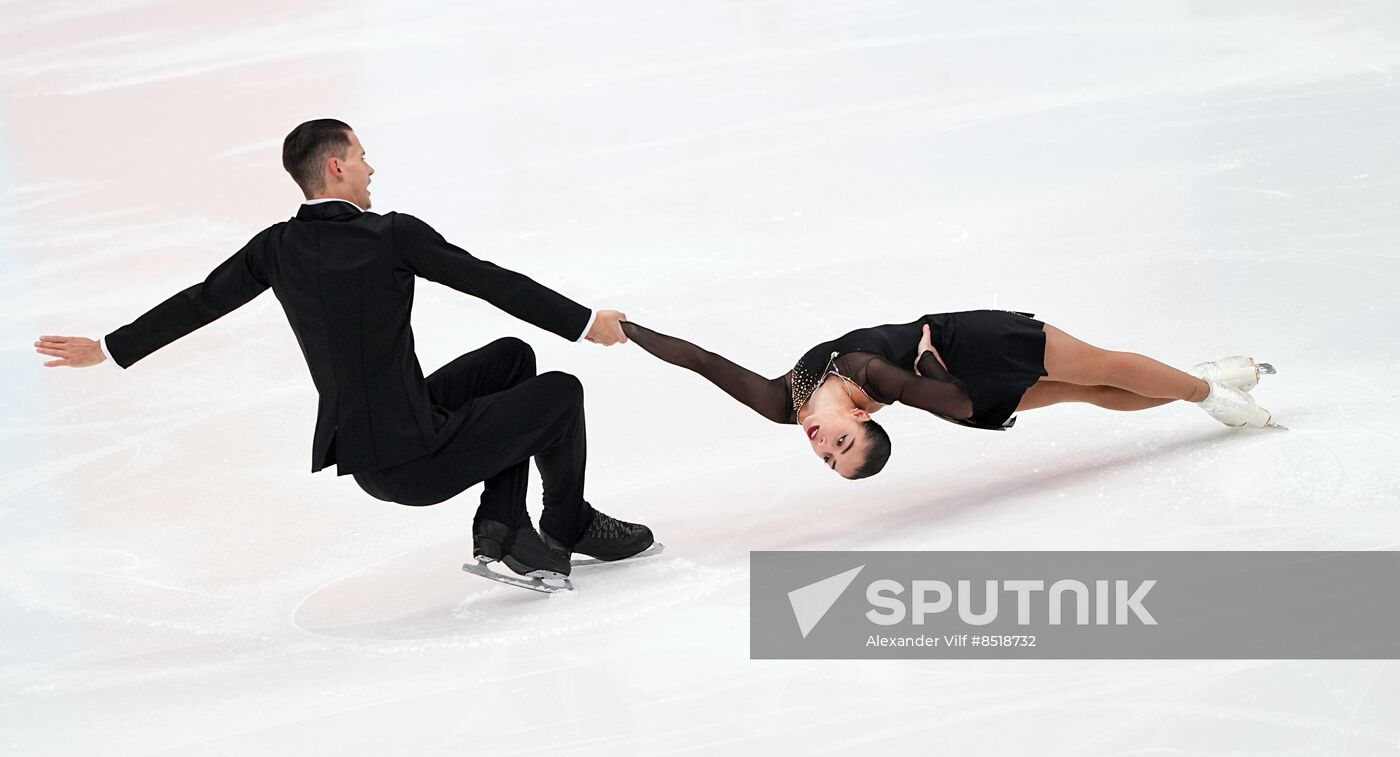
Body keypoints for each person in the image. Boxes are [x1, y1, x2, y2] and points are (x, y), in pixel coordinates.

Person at [34, 118, 654, 587]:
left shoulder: (275, 247)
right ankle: (564, 522)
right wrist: (585, 323)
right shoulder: (390, 235)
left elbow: (199, 302)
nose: (371, 169)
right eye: (362, 157)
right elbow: (490, 280)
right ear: (335, 167)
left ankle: (503, 524)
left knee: (512, 359)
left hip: (368, 452)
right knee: (560, 393)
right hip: (419, 458)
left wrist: (109, 349)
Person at [620, 310, 1277, 479]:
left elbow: (701, 360)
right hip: (946, 372)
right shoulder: (877, 380)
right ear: (866, 417)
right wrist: (929, 360)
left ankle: (1202, 388)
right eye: (837, 452)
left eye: (832, 452)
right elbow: (957, 405)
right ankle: (1197, 381)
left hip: (973, 344)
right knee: (1087, 393)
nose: (822, 446)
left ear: (858, 418)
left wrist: (627, 329)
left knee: (1096, 364)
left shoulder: (785, 399)